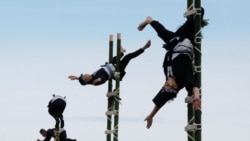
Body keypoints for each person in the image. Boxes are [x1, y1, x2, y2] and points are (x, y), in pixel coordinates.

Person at [137, 8, 208, 129]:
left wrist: (151, 115)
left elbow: (161, 100)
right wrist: (196, 97)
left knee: (164, 33)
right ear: (175, 86)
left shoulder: (169, 82)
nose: (166, 83)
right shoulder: (182, 77)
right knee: (199, 12)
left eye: (165, 85)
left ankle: (150, 21)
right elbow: (194, 84)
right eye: (168, 85)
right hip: (183, 40)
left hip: (172, 45)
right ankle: (150, 20)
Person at [68, 40, 151, 85]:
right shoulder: (95, 80)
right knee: (128, 57)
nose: (85, 73)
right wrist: (98, 80)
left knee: (115, 58)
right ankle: (144, 48)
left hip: (110, 65)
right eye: (85, 75)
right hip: (117, 70)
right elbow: (102, 79)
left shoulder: (91, 77)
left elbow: (85, 82)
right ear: (87, 79)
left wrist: (76, 78)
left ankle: (121, 51)